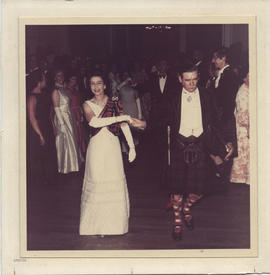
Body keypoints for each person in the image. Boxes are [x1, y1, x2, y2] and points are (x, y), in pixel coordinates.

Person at [163, 63, 233, 241]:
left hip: (201, 144)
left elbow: (217, 121)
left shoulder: (207, 95)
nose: (191, 84)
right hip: (179, 146)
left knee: (201, 189)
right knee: (177, 187)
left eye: (194, 79)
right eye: (187, 80)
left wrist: (226, 141)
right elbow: (160, 120)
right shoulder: (171, 97)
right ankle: (178, 219)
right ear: (180, 79)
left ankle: (187, 208)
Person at [79, 73, 136, 236]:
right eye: (92, 83)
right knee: (98, 182)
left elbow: (124, 125)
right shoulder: (86, 104)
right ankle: (96, 227)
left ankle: (115, 227)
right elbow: (94, 122)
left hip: (112, 147)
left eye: (99, 83)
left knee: (113, 180)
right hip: (97, 147)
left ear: (105, 85)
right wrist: (121, 117)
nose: (96, 87)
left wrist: (132, 146)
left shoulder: (114, 102)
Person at [211, 47, 240, 184]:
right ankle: (220, 172)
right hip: (220, 116)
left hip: (225, 117)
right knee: (220, 145)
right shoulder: (221, 74)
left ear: (223, 59)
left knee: (226, 145)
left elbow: (228, 100)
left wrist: (222, 117)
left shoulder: (229, 75)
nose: (213, 60)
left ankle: (223, 175)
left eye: (215, 58)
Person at [26, 69, 57, 184]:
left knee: (49, 154)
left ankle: (49, 179)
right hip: (38, 129)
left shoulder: (44, 95)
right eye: (44, 78)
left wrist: (53, 127)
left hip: (47, 127)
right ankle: (40, 182)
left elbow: (49, 113)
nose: (46, 80)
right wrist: (40, 135)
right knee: (40, 155)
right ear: (39, 81)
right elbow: (32, 117)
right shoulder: (31, 97)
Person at [51, 70, 84, 174]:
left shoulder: (63, 89)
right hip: (62, 117)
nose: (60, 77)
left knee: (72, 140)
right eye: (58, 75)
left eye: (62, 75)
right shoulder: (56, 91)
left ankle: (73, 164)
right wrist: (61, 123)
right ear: (55, 78)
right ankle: (66, 167)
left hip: (69, 117)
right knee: (65, 141)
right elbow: (56, 109)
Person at [230, 71, 250, 184]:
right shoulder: (242, 92)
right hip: (244, 128)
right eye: (248, 76)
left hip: (248, 127)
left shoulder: (250, 89)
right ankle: (241, 178)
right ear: (244, 79)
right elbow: (243, 115)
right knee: (244, 154)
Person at [66, 71, 86, 154]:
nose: (74, 80)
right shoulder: (66, 90)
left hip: (78, 111)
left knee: (80, 133)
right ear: (69, 80)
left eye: (75, 79)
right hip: (72, 112)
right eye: (72, 79)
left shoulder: (75, 89)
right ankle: (77, 153)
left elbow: (78, 101)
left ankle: (81, 152)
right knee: (76, 133)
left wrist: (81, 111)